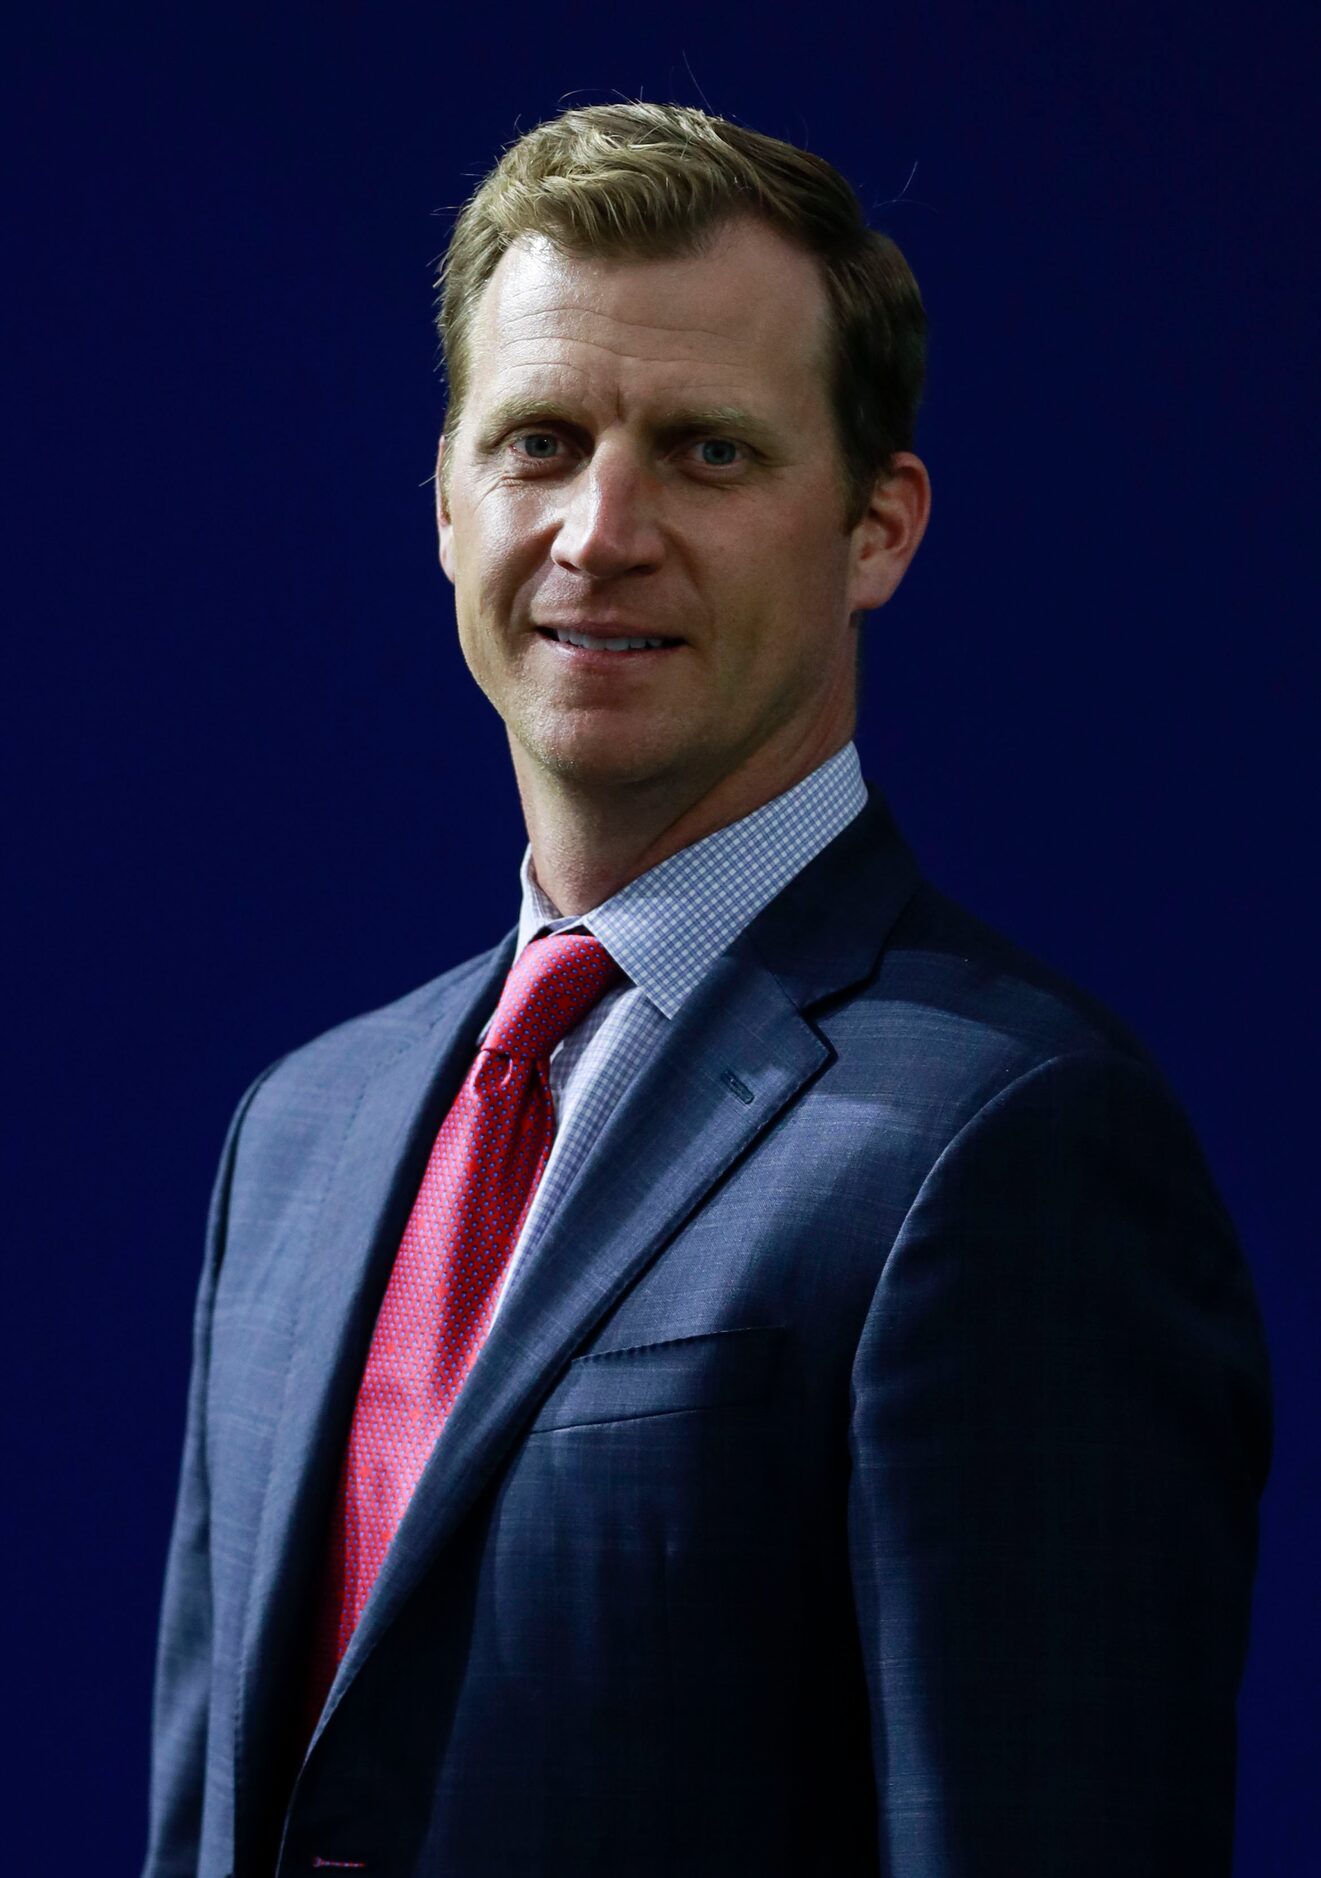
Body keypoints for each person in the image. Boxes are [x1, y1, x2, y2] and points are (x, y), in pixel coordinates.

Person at [143, 103, 1271, 1878]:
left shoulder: (1010, 1141)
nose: (602, 529)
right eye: (539, 440)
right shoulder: (297, 1135)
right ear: (446, 501)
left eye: (707, 453)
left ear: (877, 528)